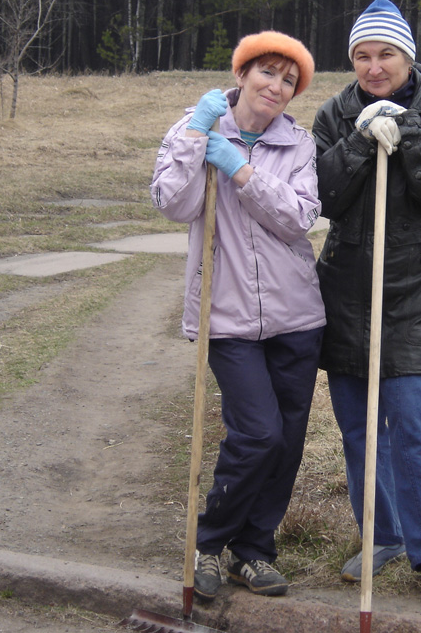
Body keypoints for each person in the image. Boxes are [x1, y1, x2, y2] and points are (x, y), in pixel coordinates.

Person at [311, 0, 421, 605]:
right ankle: (382, 534)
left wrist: (405, 129)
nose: (374, 66)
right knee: (359, 428)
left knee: (411, 420)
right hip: (347, 289)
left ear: (407, 55)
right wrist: (359, 141)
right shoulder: (334, 113)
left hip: (415, 288)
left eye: (385, 54)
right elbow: (322, 195)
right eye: (362, 55)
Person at [150, 31, 325, 600]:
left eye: (289, 80)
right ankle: (209, 542)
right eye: (268, 73)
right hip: (225, 317)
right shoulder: (196, 128)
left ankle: (253, 551)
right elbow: (173, 204)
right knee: (258, 434)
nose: (277, 87)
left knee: (287, 441)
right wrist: (200, 136)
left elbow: (298, 218)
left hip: (296, 315)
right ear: (243, 74)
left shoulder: (298, 144)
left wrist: (242, 172)